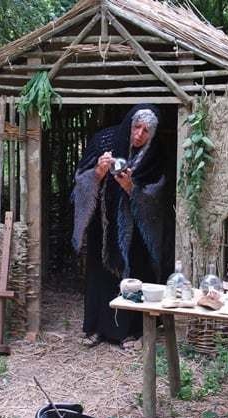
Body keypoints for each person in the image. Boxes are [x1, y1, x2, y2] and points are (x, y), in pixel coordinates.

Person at [71, 104, 168, 348]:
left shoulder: (155, 154)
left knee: (134, 276)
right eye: (136, 127)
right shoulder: (104, 141)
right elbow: (80, 182)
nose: (139, 135)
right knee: (100, 275)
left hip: (135, 230)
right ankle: (97, 328)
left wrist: (132, 189)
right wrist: (99, 172)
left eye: (146, 131)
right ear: (129, 124)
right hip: (103, 225)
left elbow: (159, 196)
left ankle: (131, 331)